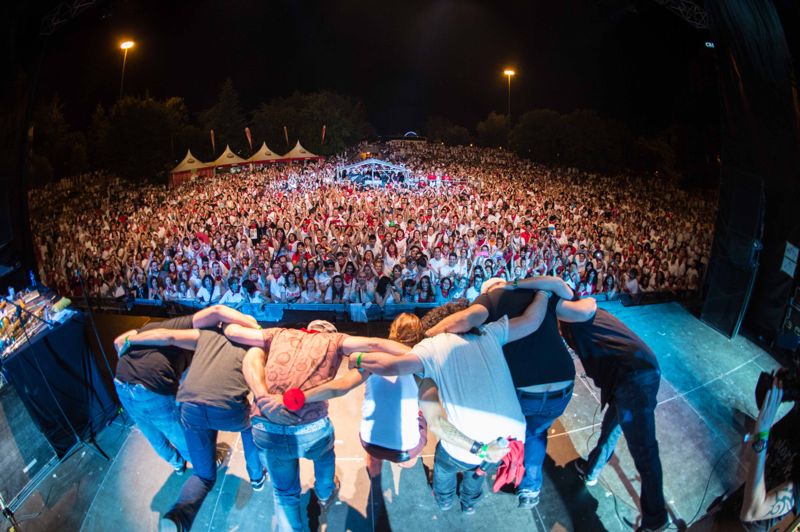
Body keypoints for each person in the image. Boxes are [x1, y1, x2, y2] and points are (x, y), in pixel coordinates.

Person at [353, 295, 552, 515]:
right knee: (477, 472)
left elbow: (435, 421)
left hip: (468, 447)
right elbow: (533, 320)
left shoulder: (429, 349)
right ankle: (468, 504)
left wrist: (359, 358)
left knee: (446, 468)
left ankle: (444, 499)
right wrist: (545, 291)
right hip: (507, 444)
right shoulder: (490, 332)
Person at [226, 320, 410, 532]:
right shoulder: (336, 340)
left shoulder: (280, 333)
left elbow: (233, 331)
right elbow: (377, 344)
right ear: (332, 331)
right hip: (310, 428)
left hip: (266, 428)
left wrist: (246, 324)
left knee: (284, 494)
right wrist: (420, 354)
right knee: (323, 459)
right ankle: (324, 494)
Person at [426, 275, 590, 509]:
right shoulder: (537, 296)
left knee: (509, 432)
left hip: (524, 390)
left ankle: (483, 475)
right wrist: (545, 293)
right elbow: (583, 312)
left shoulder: (491, 299)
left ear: (487, 289)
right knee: (537, 433)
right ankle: (529, 488)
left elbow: (468, 318)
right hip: (562, 386)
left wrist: (429, 337)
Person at [122, 311, 267, 532]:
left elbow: (168, 337)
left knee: (204, 475)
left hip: (190, 407)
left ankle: (179, 517)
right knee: (250, 425)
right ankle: (256, 476)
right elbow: (258, 381)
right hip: (228, 408)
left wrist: (129, 339)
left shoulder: (205, 336)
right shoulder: (255, 346)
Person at [558, 305, 668, 532]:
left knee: (644, 452)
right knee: (611, 427)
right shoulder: (589, 313)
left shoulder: (576, 322)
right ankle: (591, 469)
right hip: (634, 373)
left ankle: (656, 519)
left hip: (634, 379)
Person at [112, 305, 256, 475]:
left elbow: (117, 342)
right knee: (179, 433)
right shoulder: (190, 328)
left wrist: (130, 356)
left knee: (152, 434)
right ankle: (203, 464)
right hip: (150, 387)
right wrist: (256, 328)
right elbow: (216, 312)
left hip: (121, 382)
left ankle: (177, 464)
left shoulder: (154, 327)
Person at [300, 313, 430, 478]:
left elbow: (346, 378)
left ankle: (375, 470)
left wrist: (301, 396)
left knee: (374, 450)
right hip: (404, 450)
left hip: (370, 442)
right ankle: (408, 460)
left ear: (393, 330)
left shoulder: (369, 359)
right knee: (422, 418)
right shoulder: (423, 365)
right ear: (419, 335)